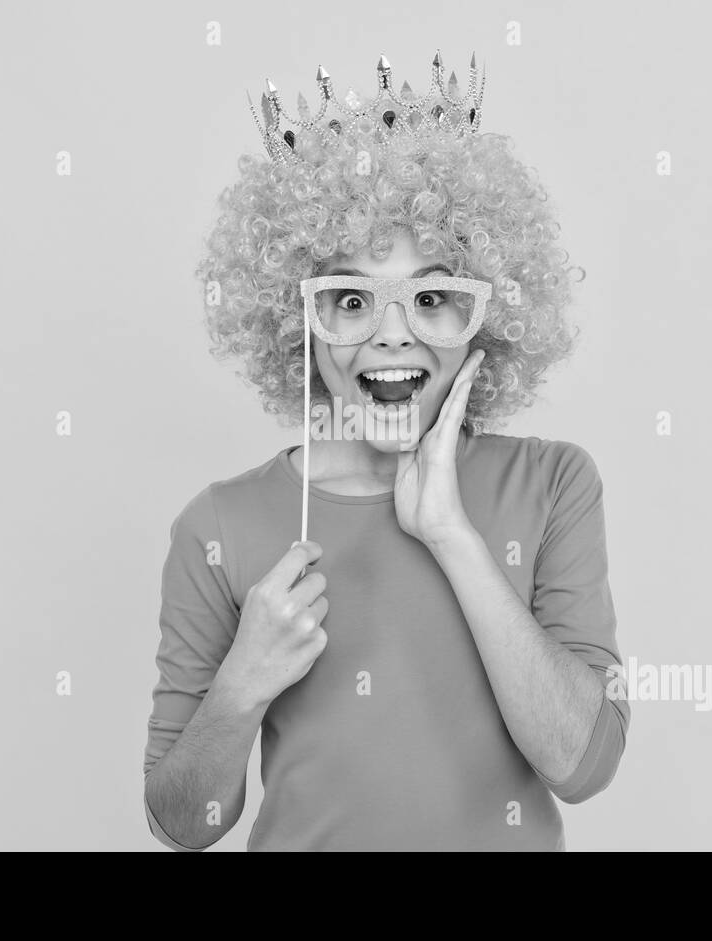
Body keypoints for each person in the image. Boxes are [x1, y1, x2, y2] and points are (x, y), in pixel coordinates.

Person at [142, 51, 630, 850]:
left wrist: (452, 536)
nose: (392, 331)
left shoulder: (553, 483)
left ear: (487, 313)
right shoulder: (219, 525)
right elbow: (182, 824)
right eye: (350, 298)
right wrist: (242, 684)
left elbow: (583, 765)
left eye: (432, 296)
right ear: (299, 320)